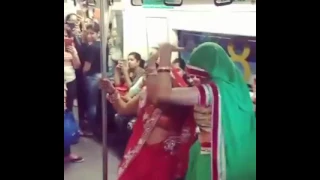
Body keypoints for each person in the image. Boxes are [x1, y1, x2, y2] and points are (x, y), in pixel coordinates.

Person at [155, 42, 256, 180]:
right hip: (236, 155)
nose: (194, 79)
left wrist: (165, 56)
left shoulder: (213, 91)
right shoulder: (235, 89)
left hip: (213, 157)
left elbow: (162, 94)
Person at [100, 49, 196, 180]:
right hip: (140, 155)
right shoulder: (145, 95)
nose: (146, 80)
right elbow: (123, 109)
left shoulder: (178, 101)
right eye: (147, 75)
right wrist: (112, 92)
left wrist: (163, 60)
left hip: (165, 162)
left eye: (151, 76)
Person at [64, 36, 81, 112]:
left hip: (70, 79)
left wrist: (74, 54)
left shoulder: (72, 49)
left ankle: (67, 122)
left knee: (69, 105)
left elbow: (77, 66)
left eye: (66, 36)